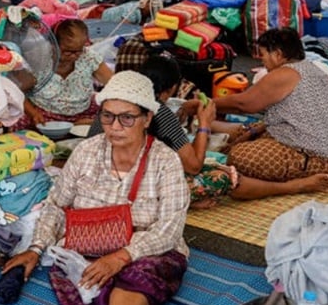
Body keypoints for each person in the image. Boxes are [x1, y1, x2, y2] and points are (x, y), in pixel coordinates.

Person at [2, 71, 190, 305]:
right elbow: (57, 205)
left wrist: (120, 256)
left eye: (127, 118)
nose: (115, 127)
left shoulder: (165, 161)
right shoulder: (86, 152)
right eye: (108, 116)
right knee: (88, 276)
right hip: (89, 245)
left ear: (147, 117)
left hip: (147, 248)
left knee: (138, 273)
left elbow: (169, 229)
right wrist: (35, 250)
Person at [213, 28, 328, 191]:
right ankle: (205, 124)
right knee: (252, 130)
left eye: (263, 54)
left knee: (240, 157)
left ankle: (295, 185)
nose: (262, 61)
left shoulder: (286, 73)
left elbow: (244, 104)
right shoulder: (311, 68)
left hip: (326, 161)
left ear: (278, 54)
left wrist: (205, 104)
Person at [90, 57, 237, 207]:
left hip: (95, 181)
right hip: (129, 187)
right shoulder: (158, 111)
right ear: (172, 88)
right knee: (220, 176)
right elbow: (194, 166)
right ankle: (177, 203)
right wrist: (204, 123)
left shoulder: (113, 102)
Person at [18, 19, 114, 125]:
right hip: (45, 114)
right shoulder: (38, 60)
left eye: (79, 50)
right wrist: (33, 113)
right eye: (68, 51)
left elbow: (115, 84)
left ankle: (81, 124)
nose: (74, 55)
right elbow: (18, 91)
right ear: (53, 44)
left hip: (84, 113)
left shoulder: (89, 57)